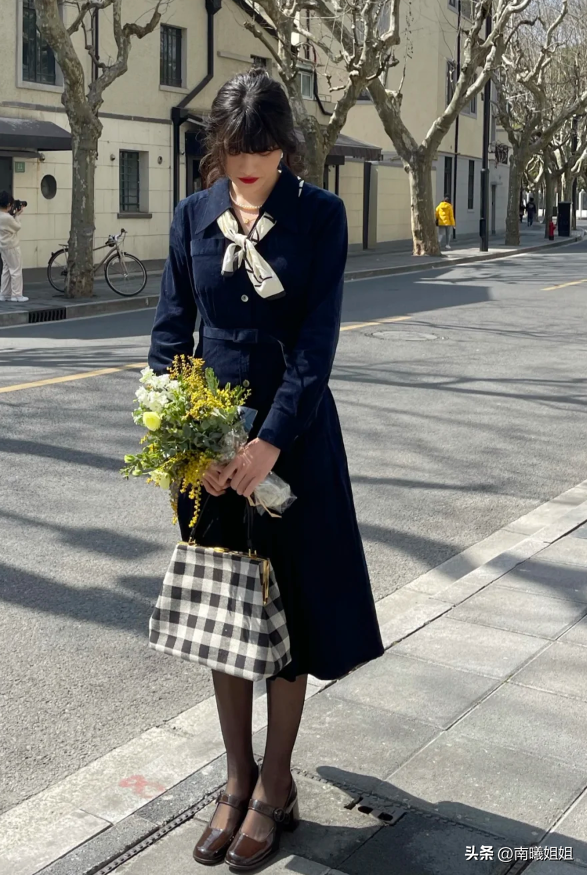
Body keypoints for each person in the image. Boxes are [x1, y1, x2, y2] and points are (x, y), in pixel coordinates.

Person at [148, 68, 384, 872]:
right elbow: (169, 335)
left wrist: (268, 443)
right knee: (225, 609)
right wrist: (192, 447)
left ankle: (275, 778)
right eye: (234, 148)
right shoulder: (193, 215)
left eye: (262, 147)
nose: (248, 163)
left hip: (294, 445)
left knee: (289, 614)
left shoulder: (318, 216)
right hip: (208, 451)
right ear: (216, 146)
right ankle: (236, 772)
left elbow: (316, 344)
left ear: (286, 144)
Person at [0, 192, 28, 302]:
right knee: (16, 270)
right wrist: (18, 215)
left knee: (6, 270)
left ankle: (4, 294)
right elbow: (17, 227)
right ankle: (16, 295)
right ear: (8, 204)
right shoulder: (7, 218)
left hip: (3, 246)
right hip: (12, 246)